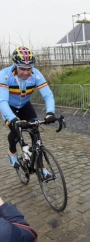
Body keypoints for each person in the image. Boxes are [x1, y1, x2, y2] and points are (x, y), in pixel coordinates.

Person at [0, 46, 56, 177]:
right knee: (15, 130)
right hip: (9, 107)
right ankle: (12, 151)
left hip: (25, 105)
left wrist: (51, 113)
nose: (26, 72)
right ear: (15, 65)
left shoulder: (36, 74)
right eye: (22, 68)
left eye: (29, 68)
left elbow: (48, 95)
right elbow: (2, 101)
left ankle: (42, 168)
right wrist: (13, 119)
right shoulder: (4, 75)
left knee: (36, 133)